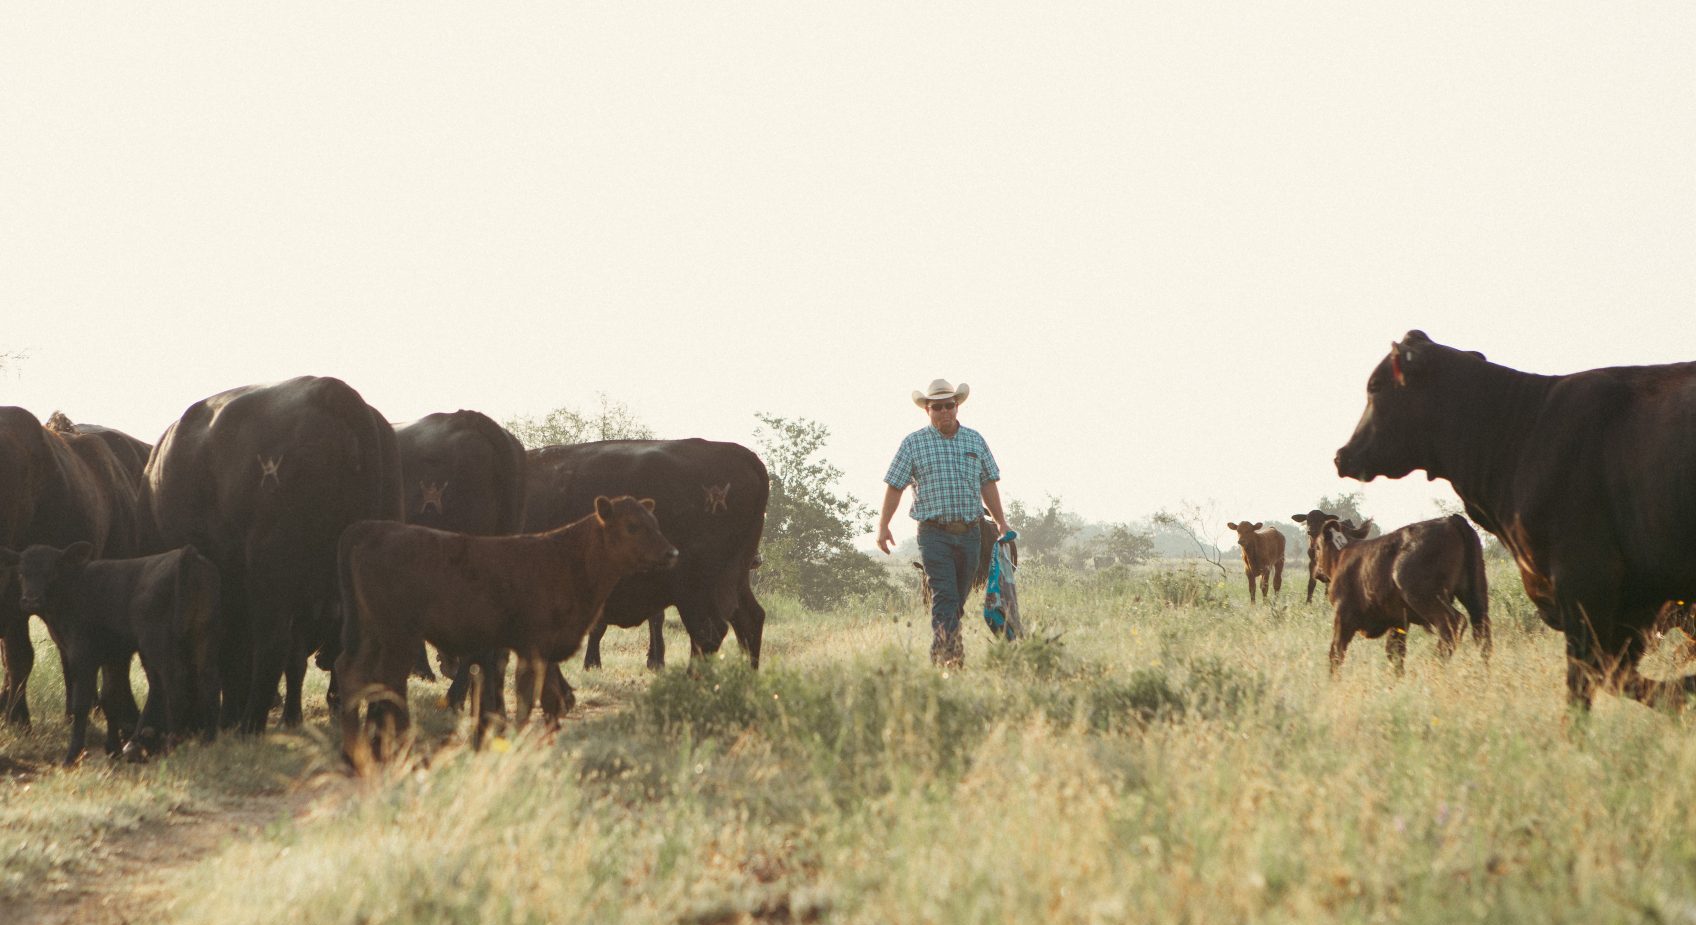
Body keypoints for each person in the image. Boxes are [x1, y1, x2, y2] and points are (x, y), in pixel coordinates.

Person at [877, 378, 1012, 667]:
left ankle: (946, 653)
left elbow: (988, 483)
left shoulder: (974, 440)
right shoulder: (913, 443)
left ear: (957, 406)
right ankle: (948, 661)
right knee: (945, 597)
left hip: (971, 533)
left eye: (949, 405)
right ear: (927, 410)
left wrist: (1001, 522)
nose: (944, 411)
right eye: (937, 407)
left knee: (957, 601)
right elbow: (895, 486)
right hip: (933, 534)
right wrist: (883, 526)